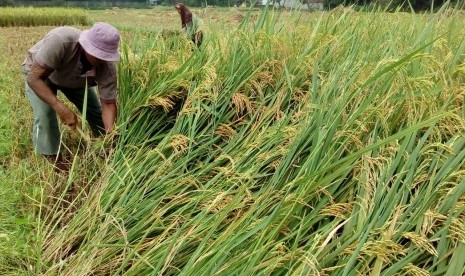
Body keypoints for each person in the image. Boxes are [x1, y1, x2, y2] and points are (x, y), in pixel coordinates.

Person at [21, 22, 120, 170]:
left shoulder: (107, 67)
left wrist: (110, 136)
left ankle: (103, 149)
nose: (102, 59)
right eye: (98, 54)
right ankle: (54, 159)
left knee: (97, 115)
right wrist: (61, 108)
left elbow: (108, 104)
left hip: (75, 80)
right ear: (87, 46)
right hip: (41, 76)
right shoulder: (61, 41)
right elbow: (33, 78)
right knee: (45, 115)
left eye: (105, 56)